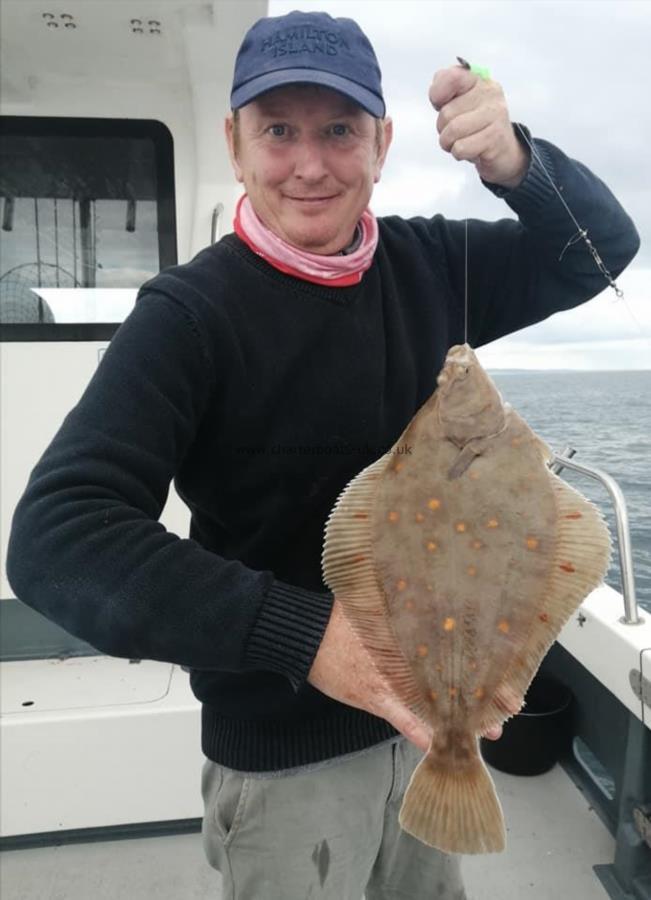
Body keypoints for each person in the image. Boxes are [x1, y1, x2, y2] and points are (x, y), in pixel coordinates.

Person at [6, 8, 639, 900]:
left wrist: (514, 163)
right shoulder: (189, 316)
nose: (310, 164)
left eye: (339, 130)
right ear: (234, 144)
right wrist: (313, 641)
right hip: (282, 757)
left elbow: (599, 252)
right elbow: (55, 540)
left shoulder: (431, 264)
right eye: (279, 131)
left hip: (431, 717)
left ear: (381, 143)